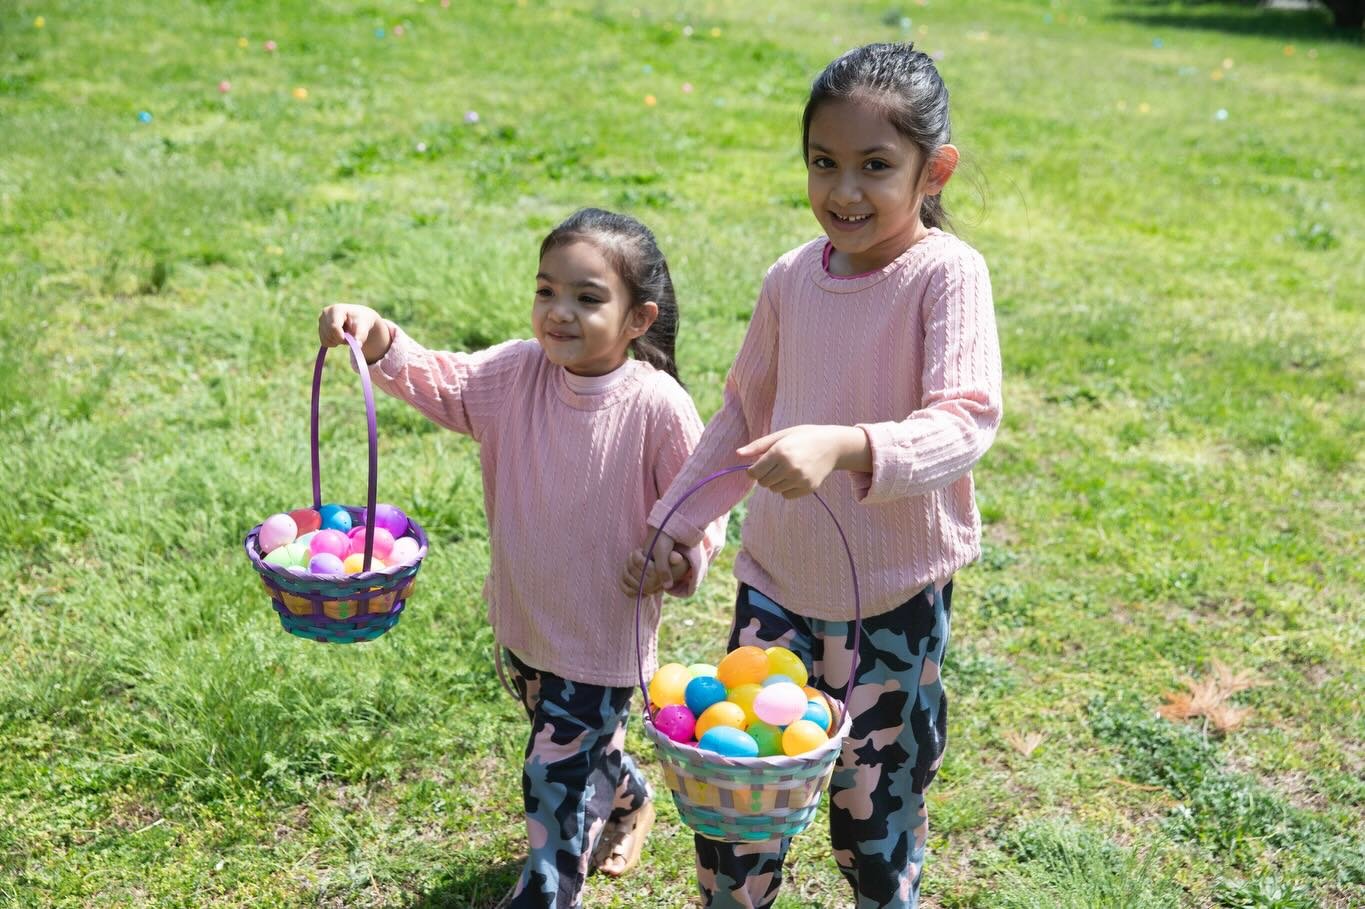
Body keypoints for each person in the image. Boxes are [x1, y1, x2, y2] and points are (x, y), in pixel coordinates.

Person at [622, 43, 1003, 909]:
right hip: (778, 582)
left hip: (892, 597)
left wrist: (845, 444)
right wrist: (672, 525)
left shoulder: (945, 273)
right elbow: (740, 417)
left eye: (876, 165)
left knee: (873, 804)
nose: (843, 190)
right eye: (822, 162)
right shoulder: (791, 278)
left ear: (933, 171)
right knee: (742, 787)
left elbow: (965, 419)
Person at [320, 208, 726, 909]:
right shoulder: (516, 373)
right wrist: (378, 334)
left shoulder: (656, 405)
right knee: (572, 746)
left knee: (552, 775)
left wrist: (677, 555)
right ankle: (628, 796)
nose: (559, 311)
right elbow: (443, 381)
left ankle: (546, 891)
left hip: (600, 635)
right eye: (546, 291)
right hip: (527, 623)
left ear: (638, 319)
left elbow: (702, 502)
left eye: (587, 298)